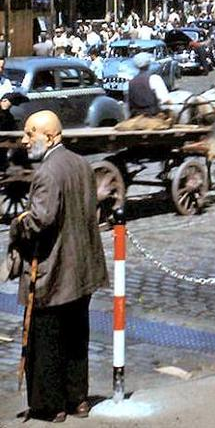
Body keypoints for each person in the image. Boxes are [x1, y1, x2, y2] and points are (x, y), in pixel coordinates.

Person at [8, 110, 108, 422]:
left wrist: (17, 225)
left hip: (54, 272)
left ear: (51, 136)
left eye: (30, 134)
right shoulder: (81, 163)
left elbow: (40, 221)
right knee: (76, 336)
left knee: (47, 339)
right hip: (82, 268)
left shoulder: (47, 172)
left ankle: (52, 407)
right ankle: (78, 400)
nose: (24, 141)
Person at [127, 52, 170, 118]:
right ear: (148, 64)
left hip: (135, 117)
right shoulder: (154, 78)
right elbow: (165, 100)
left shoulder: (131, 82)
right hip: (152, 115)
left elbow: (129, 103)